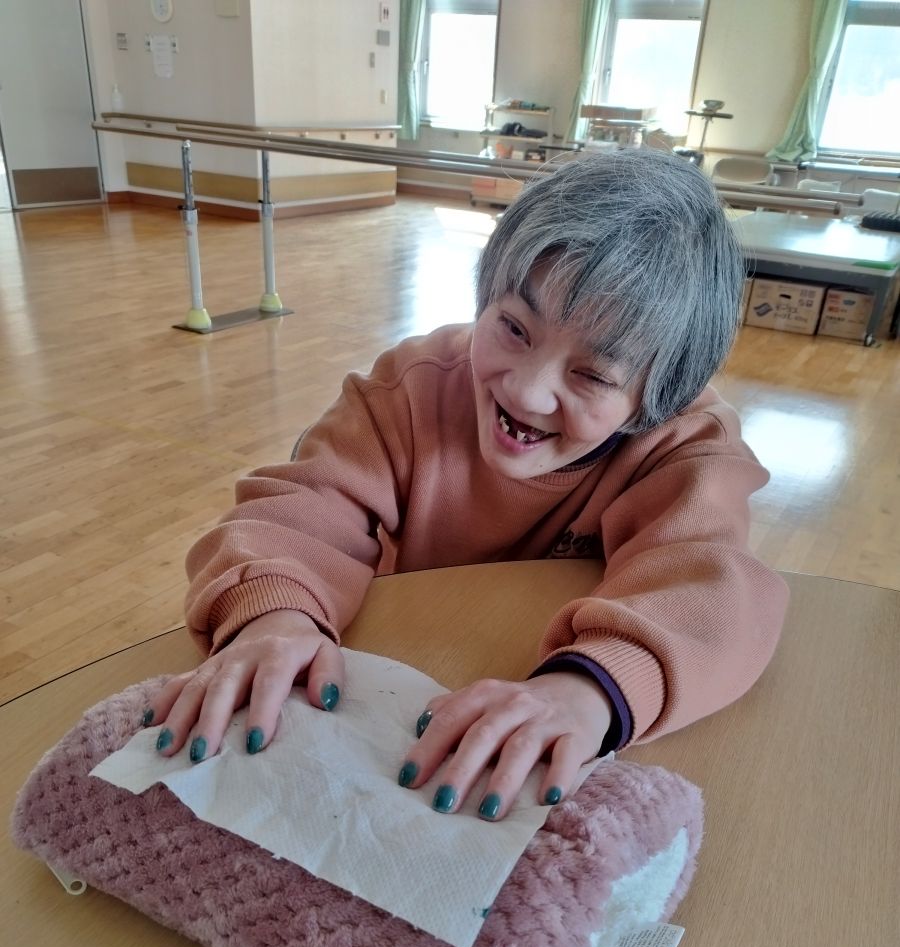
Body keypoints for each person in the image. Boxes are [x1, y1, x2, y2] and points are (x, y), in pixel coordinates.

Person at [146, 149, 788, 822]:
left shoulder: (686, 444)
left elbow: (712, 589)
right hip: (403, 675)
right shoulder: (412, 387)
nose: (527, 391)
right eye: (513, 327)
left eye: (593, 375)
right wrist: (277, 615)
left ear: (660, 397)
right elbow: (299, 508)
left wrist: (591, 690)